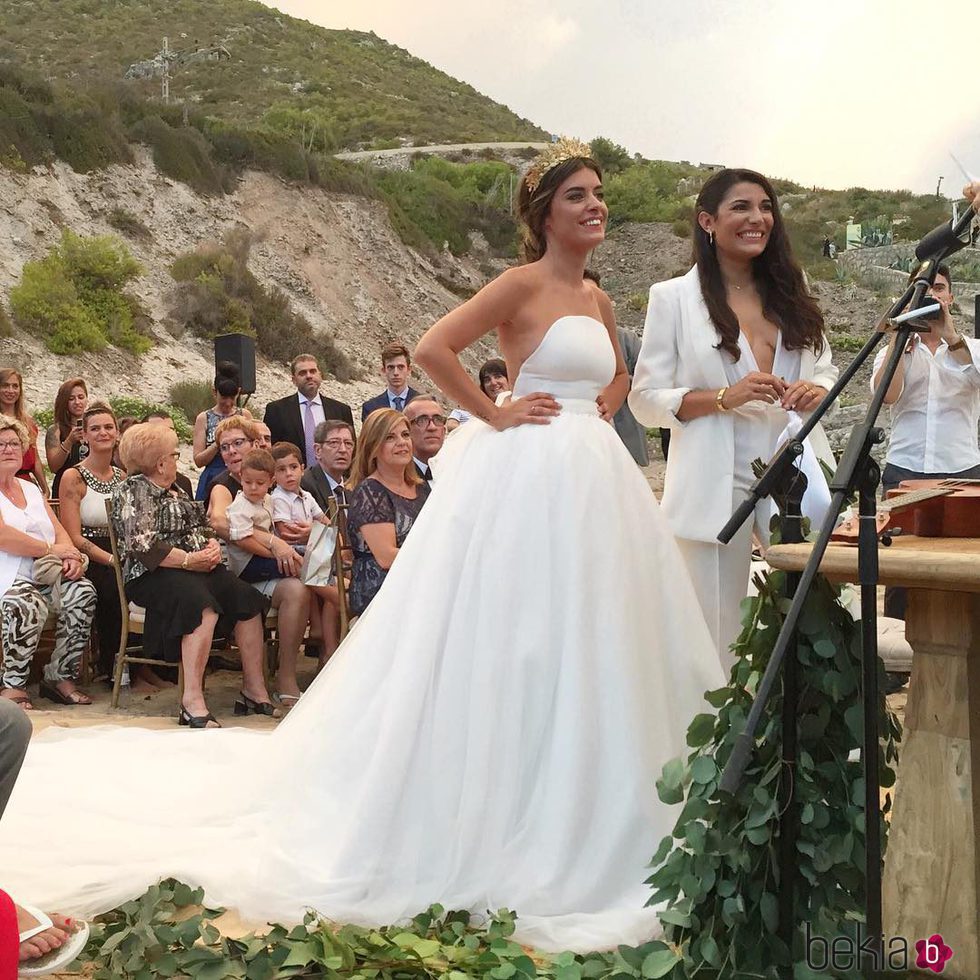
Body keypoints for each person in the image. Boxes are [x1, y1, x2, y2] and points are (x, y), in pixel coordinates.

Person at [0, 140, 722, 954]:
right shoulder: (522, 284)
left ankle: (597, 798)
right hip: (531, 470)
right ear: (544, 212)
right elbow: (434, 351)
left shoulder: (596, 294)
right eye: (579, 196)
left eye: (600, 193)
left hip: (591, 471)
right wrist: (498, 415)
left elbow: (618, 377)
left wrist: (587, 411)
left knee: (597, 634)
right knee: (513, 631)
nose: (596, 206)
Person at [629, 168, 839, 666]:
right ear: (707, 221)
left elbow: (827, 366)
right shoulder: (673, 298)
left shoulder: (792, 290)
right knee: (713, 629)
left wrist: (818, 389)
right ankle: (721, 739)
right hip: (714, 478)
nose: (757, 218)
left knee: (822, 605)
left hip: (794, 468)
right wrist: (726, 396)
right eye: (741, 208)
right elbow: (645, 399)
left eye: (765, 207)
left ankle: (806, 732)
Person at [111, 423, 274, 726]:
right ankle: (192, 700)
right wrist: (189, 560)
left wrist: (211, 547)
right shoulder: (132, 490)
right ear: (160, 463)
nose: (176, 459)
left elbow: (201, 527)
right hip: (153, 574)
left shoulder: (177, 487)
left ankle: (254, 689)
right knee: (201, 605)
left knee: (247, 599)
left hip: (196, 566)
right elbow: (143, 546)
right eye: (173, 454)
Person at [873, 264, 980, 621]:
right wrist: (899, 336)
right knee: (901, 569)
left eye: (939, 288)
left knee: (964, 569)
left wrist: (950, 336)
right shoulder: (897, 349)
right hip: (906, 472)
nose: (933, 295)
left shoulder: (972, 347)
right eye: (925, 290)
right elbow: (886, 395)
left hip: (962, 473)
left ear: (950, 296)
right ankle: (898, 661)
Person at [0, 415, 96, 711]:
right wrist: (50, 549)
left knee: (83, 592)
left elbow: (58, 530)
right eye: (0, 444)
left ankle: (59, 677)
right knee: (27, 604)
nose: (8, 449)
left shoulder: (31, 489)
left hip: (44, 573)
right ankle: (12, 684)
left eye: (14, 443)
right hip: (8, 576)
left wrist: (70, 556)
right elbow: (4, 537)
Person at [57, 404, 134, 685]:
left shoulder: (122, 477)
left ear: (117, 433)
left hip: (121, 550)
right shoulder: (73, 477)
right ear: (85, 436)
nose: (103, 433)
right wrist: (111, 559)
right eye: (96, 428)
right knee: (114, 589)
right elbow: (73, 536)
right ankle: (113, 666)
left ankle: (148, 666)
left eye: (108, 427)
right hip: (87, 554)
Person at [346, 410, 431, 616]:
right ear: (373, 448)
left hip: (419, 579)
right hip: (381, 587)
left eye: (405, 435)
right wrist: (437, 560)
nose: (402, 442)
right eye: (390, 438)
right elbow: (386, 557)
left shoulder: (422, 488)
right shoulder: (370, 491)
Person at [263, 354, 354, 466]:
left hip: (334, 477)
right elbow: (271, 450)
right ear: (294, 380)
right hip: (292, 478)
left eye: (313, 371)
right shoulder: (277, 410)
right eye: (302, 373)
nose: (309, 376)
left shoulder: (341, 410)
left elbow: (351, 448)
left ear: (320, 375)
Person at [192, 362, 252, 500]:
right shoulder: (204, 418)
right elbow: (198, 460)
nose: (228, 403)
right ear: (214, 392)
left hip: (241, 474)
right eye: (224, 397)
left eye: (232, 397)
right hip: (213, 474)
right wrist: (218, 443)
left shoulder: (245, 415)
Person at [0, 369, 48, 496]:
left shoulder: (28, 423)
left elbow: (35, 458)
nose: (10, 391)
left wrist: (45, 488)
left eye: (15, 386)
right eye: (5, 385)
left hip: (27, 485)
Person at [44, 377, 89, 499]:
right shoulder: (55, 430)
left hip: (91, 486)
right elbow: (54, 466)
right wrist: (69, 441)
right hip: (64, 489)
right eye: (71, 399)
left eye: (81, 397)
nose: (77, 402)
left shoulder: (95, 427)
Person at [360, 342, 422, 421]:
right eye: (391, 367)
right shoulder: (370, 408)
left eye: (400, 367)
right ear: (384, 370)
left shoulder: (424, 403)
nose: (396, 373)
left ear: (409, 370)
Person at [301, 420, 354, 510]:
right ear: (318, 450)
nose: (343, 450)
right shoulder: (305, 484)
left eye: (348, 443)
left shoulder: (353, 487)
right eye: (334, 443)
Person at [143, 411, 194, 496]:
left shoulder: (183, 483)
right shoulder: (131, 482)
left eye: (170, 431)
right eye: (159, 431)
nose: (166, 436)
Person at [402, 394, 446, 483]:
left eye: (437, 419)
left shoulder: (458, 471)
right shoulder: (396, 476)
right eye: (422, 420)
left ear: (444, 430)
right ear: (406, 431)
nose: (432, 427)